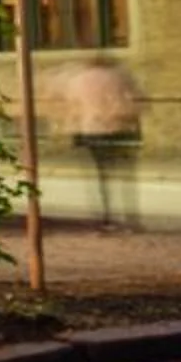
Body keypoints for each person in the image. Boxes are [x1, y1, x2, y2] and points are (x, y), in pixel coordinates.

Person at [54, 57, 145, 231]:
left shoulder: (78, 79)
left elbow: (73, 106)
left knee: (101, 175)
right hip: (121, 128)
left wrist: (72, 129)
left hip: (92, 129)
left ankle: (106, 217)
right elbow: (135, 101)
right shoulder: (122, 76)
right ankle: (131, 218)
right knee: (126, 175)